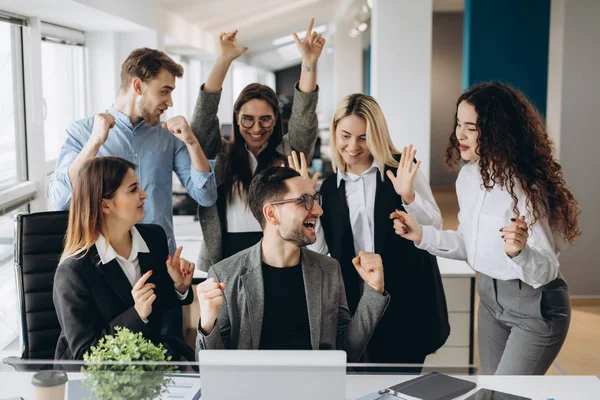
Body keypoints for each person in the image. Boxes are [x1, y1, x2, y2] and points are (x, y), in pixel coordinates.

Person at [393, 82, 579, 375]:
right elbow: (471, 246)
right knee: (491, 392)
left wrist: (519, 252)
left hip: (535, 306)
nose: (460, 134)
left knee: (506, 396)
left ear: (497, 131)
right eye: (458, 124)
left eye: (472, 127)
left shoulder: (526, 187)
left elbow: (546, 269)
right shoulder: (468, 176)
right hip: (490, 300)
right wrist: (421, 234)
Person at [304, 93, 450, 366]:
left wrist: (409, 198)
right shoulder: (328, 188)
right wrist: (308, 205)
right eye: (346, 135)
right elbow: (322, 253)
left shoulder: (400, 170)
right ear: (334, 132)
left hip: (406, 302)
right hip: (357, 307)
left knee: (403, 386)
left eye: (363, 137)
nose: (353, 146)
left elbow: (434, 230)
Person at [195, 167, 390, 361]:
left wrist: (374, 290)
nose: (318, 210)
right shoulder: (225, 274)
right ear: (271, 214)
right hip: (252, 389)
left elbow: (347, 352)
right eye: (304, 201)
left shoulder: (329, 269)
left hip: (315, 387)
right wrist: (207, 323)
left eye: (315, 200)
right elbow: (211, 367)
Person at [48, 47, 217, 256]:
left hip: (159, 256)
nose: (170, 102)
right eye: (164, 91)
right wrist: (94, 143)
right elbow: (60, 200)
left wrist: (192, 143)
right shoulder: (83, 133)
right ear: (138, 86)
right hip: (103, 258)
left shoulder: (168, 136)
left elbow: (206, 196)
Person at [191, 18, 325, 270]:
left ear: (275, 119)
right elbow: (202, 119)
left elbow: (304, 118)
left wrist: (309, 63)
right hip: (228, 250)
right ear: (236, 118)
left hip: (281, 247)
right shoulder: (220, 153)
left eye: (265, 119)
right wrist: (223, 60)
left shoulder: (287, 153)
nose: (256, 128)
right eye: (247, 120)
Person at [53, 157, 196, 361]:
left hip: (146, 368)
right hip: (95, 382)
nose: (144, 194)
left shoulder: (153, 238)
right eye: (133, 189)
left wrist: (178, 287)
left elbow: (157, 301)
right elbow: (85, 354)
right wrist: (137, 315)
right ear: (105, 205)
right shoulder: (73, 272)